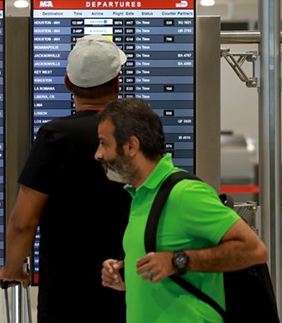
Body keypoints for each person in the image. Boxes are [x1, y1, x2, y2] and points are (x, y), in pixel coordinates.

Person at [0, 34, 131, 322]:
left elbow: (24, 220)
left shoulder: (56, 136)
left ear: (68, 83)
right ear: (117, 83)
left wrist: (12, 269)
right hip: (133, 287)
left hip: (68, 296)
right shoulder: (137, 132)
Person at [96, 98, 269, 322]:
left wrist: (177, 261)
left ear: (131, 146)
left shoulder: (185, 194)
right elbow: (164, 266)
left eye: (103, 144)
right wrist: (127, 276)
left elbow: (254, 250)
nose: (98, 154)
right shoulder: (141, 196)